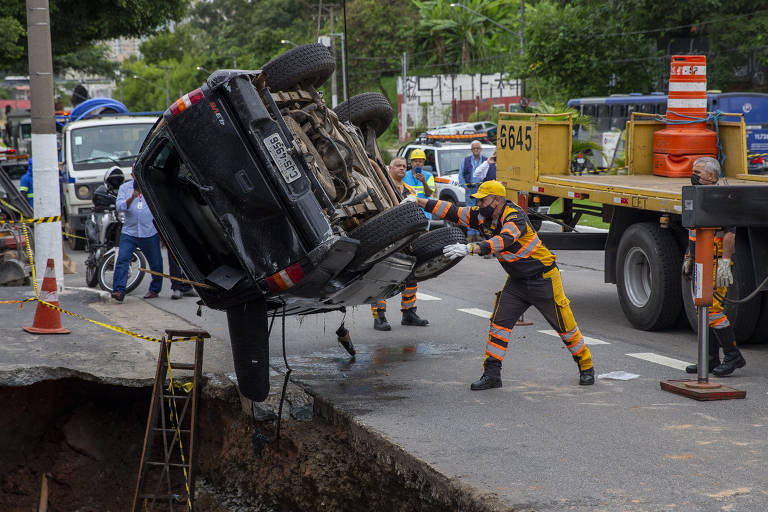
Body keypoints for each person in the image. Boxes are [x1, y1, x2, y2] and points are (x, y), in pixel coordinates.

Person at [407, 180, 595, 390]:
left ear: (497, 201)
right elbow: (453, 211)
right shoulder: (482, 216)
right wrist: (419, 201)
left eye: (483, 200)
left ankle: (586, 366)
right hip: (517, 282)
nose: (479, 204)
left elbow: (504, 240)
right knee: (499, 325)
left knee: (565, 327)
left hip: (544, 279)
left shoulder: (515, 216)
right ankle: (492, 375)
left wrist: (470, 248)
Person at [682, 156, 745, 376]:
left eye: (698, 173)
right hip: (701, 261)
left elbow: (729, 234)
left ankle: (733, 356)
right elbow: (693, 232)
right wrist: (689, 257)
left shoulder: (721, 198)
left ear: (712, 176)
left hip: (716, 262)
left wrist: (725, 264)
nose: (693, 176)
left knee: (714, 311)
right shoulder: (695, 196)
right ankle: (709, 360)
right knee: (703, 309)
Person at [370, 157, 429, 330]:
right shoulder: (379, 187)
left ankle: (409, 313)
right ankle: (379, 317)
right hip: (384, 240)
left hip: (406, 240)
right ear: (389, 168)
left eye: (404, 166)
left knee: (412, 276)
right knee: (380, 279)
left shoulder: (410, 191)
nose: (402, 168)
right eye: (398, 166)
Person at [111, 172, 163, 302]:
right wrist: (132, 197)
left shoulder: (151, 186)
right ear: (132, 174)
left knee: (156, 263)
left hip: (149, 232)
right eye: (136, 173)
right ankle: (119, 290)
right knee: (122, 259)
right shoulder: (125, 188)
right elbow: (119, 207)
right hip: (130, 232)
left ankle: (155, 289)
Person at [460, 141, 486, 241]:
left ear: (480, 149)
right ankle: (470, 234)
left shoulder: (485, 160)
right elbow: (460, 174)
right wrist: (465, 187)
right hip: (470, 190)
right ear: (471, 150)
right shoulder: (465, 160)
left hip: (481, 190)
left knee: (481, 212)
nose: (476, 149)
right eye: (474, 148)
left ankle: (478, 233)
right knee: (470, 212)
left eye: (477, 148)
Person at [403, 149, 435, 219]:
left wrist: (424, 181)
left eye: (420, 161)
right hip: (408, 213)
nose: (417, 163)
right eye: (415, 161)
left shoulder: (428, 176)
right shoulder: (404, 175)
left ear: (423, 163)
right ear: (411, 162)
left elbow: (429, 194)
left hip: (425, 213)